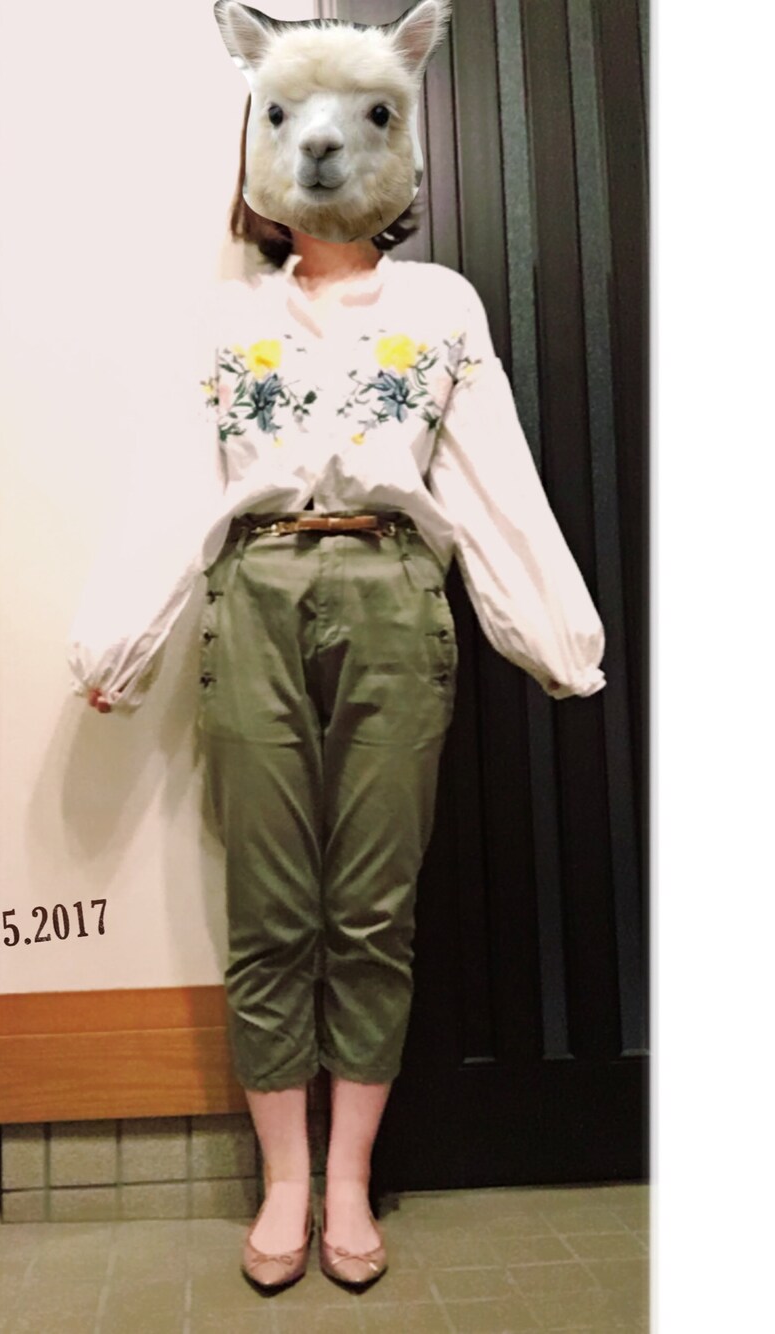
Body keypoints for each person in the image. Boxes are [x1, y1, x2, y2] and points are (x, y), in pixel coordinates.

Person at [67, 107, 606, 1294]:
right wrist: (123, 640)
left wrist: (553, 638)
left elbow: (492, 474)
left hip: (394, 588)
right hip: (255, 584)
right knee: (269, 905)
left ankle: (348, 1177)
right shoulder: (226, 318)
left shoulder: (440, 305)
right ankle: (284, 1180)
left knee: (370, 907)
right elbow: (176, 478)